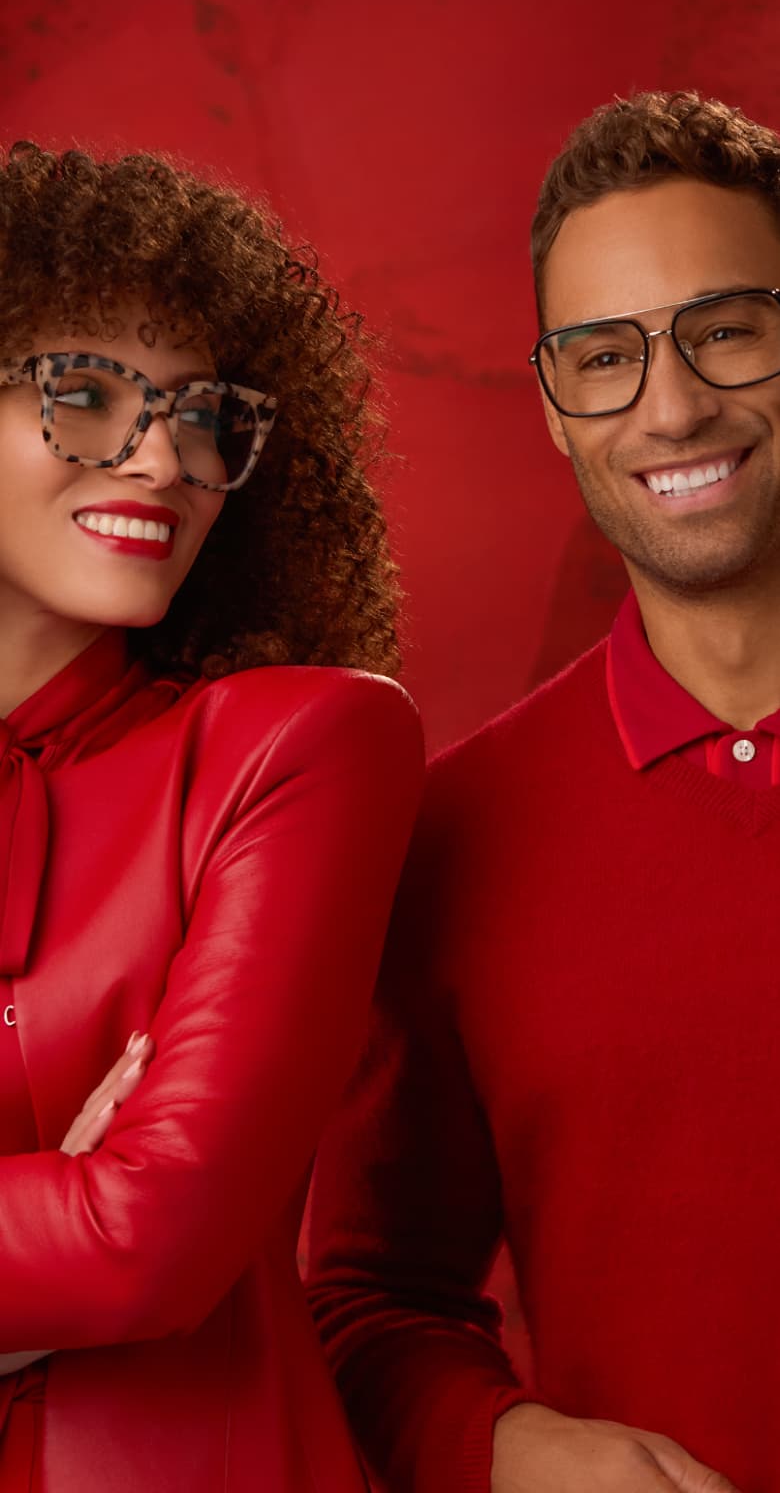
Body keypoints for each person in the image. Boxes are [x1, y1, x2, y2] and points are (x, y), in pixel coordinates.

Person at [305, 90, 780, 1493]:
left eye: (729, 330)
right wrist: (510, 1448)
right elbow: (369, 1298)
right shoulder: (456, 834)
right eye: (605, 357)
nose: (674, 404)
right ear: (556, 413)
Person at [0, 138, 424, 1491]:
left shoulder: (300, 744)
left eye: (202, 414)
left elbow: (145, 1245)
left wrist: (100, 1231)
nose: (165, 458)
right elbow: (82, 1237)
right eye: (83, 392)